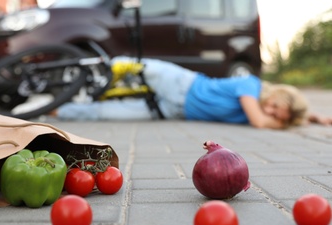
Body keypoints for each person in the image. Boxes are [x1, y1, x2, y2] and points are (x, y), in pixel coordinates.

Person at [54, 57, 332, 129]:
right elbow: (261, 122)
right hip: (181, 84)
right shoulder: (251, 85)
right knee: (123, 66)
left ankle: (54, 109)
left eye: (278, 116)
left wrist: (314, 118)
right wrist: (281, 124)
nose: (270, 112)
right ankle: (67, 72)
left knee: (108, 114)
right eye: (275, 106)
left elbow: (271, 119)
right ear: (278, 93)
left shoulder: (264, 111)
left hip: (174, 110)